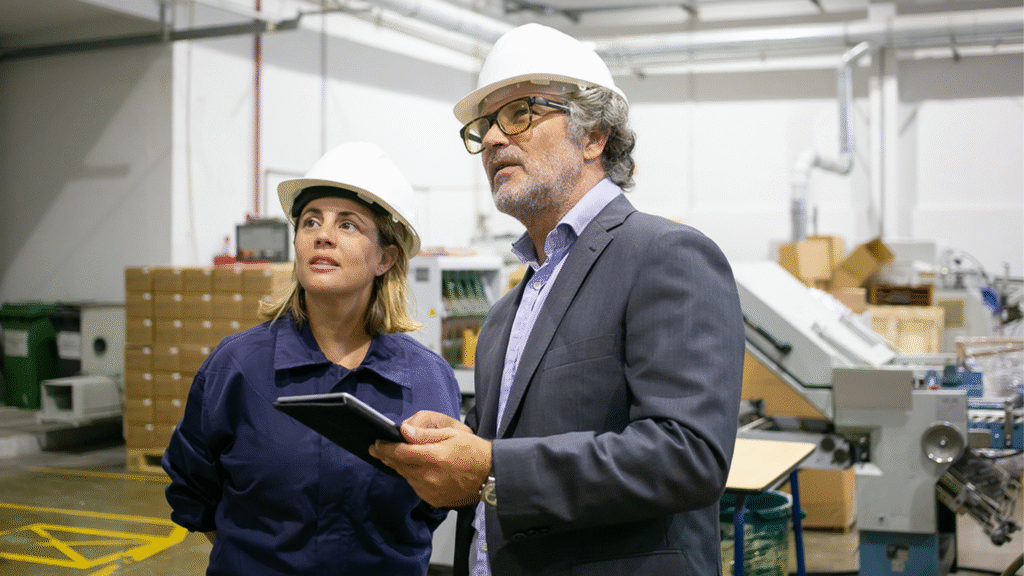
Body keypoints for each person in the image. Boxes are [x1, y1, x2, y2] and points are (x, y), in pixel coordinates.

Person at [370, 23, 745, 575]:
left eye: (519, 114)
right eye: (484, 126)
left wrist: (492, 467)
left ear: (593, 136)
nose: (494, 139)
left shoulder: (665, 256)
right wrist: (449, 451)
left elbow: (687, 456)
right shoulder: (506, 314)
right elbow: (500, 454)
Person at [162, 142, 461, 575]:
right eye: (311, 221)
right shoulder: (238, 368)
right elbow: (193, 489)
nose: (323, 234)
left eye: (349, 225)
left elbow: (437, 498)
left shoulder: (426, 378)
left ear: (386, 257)